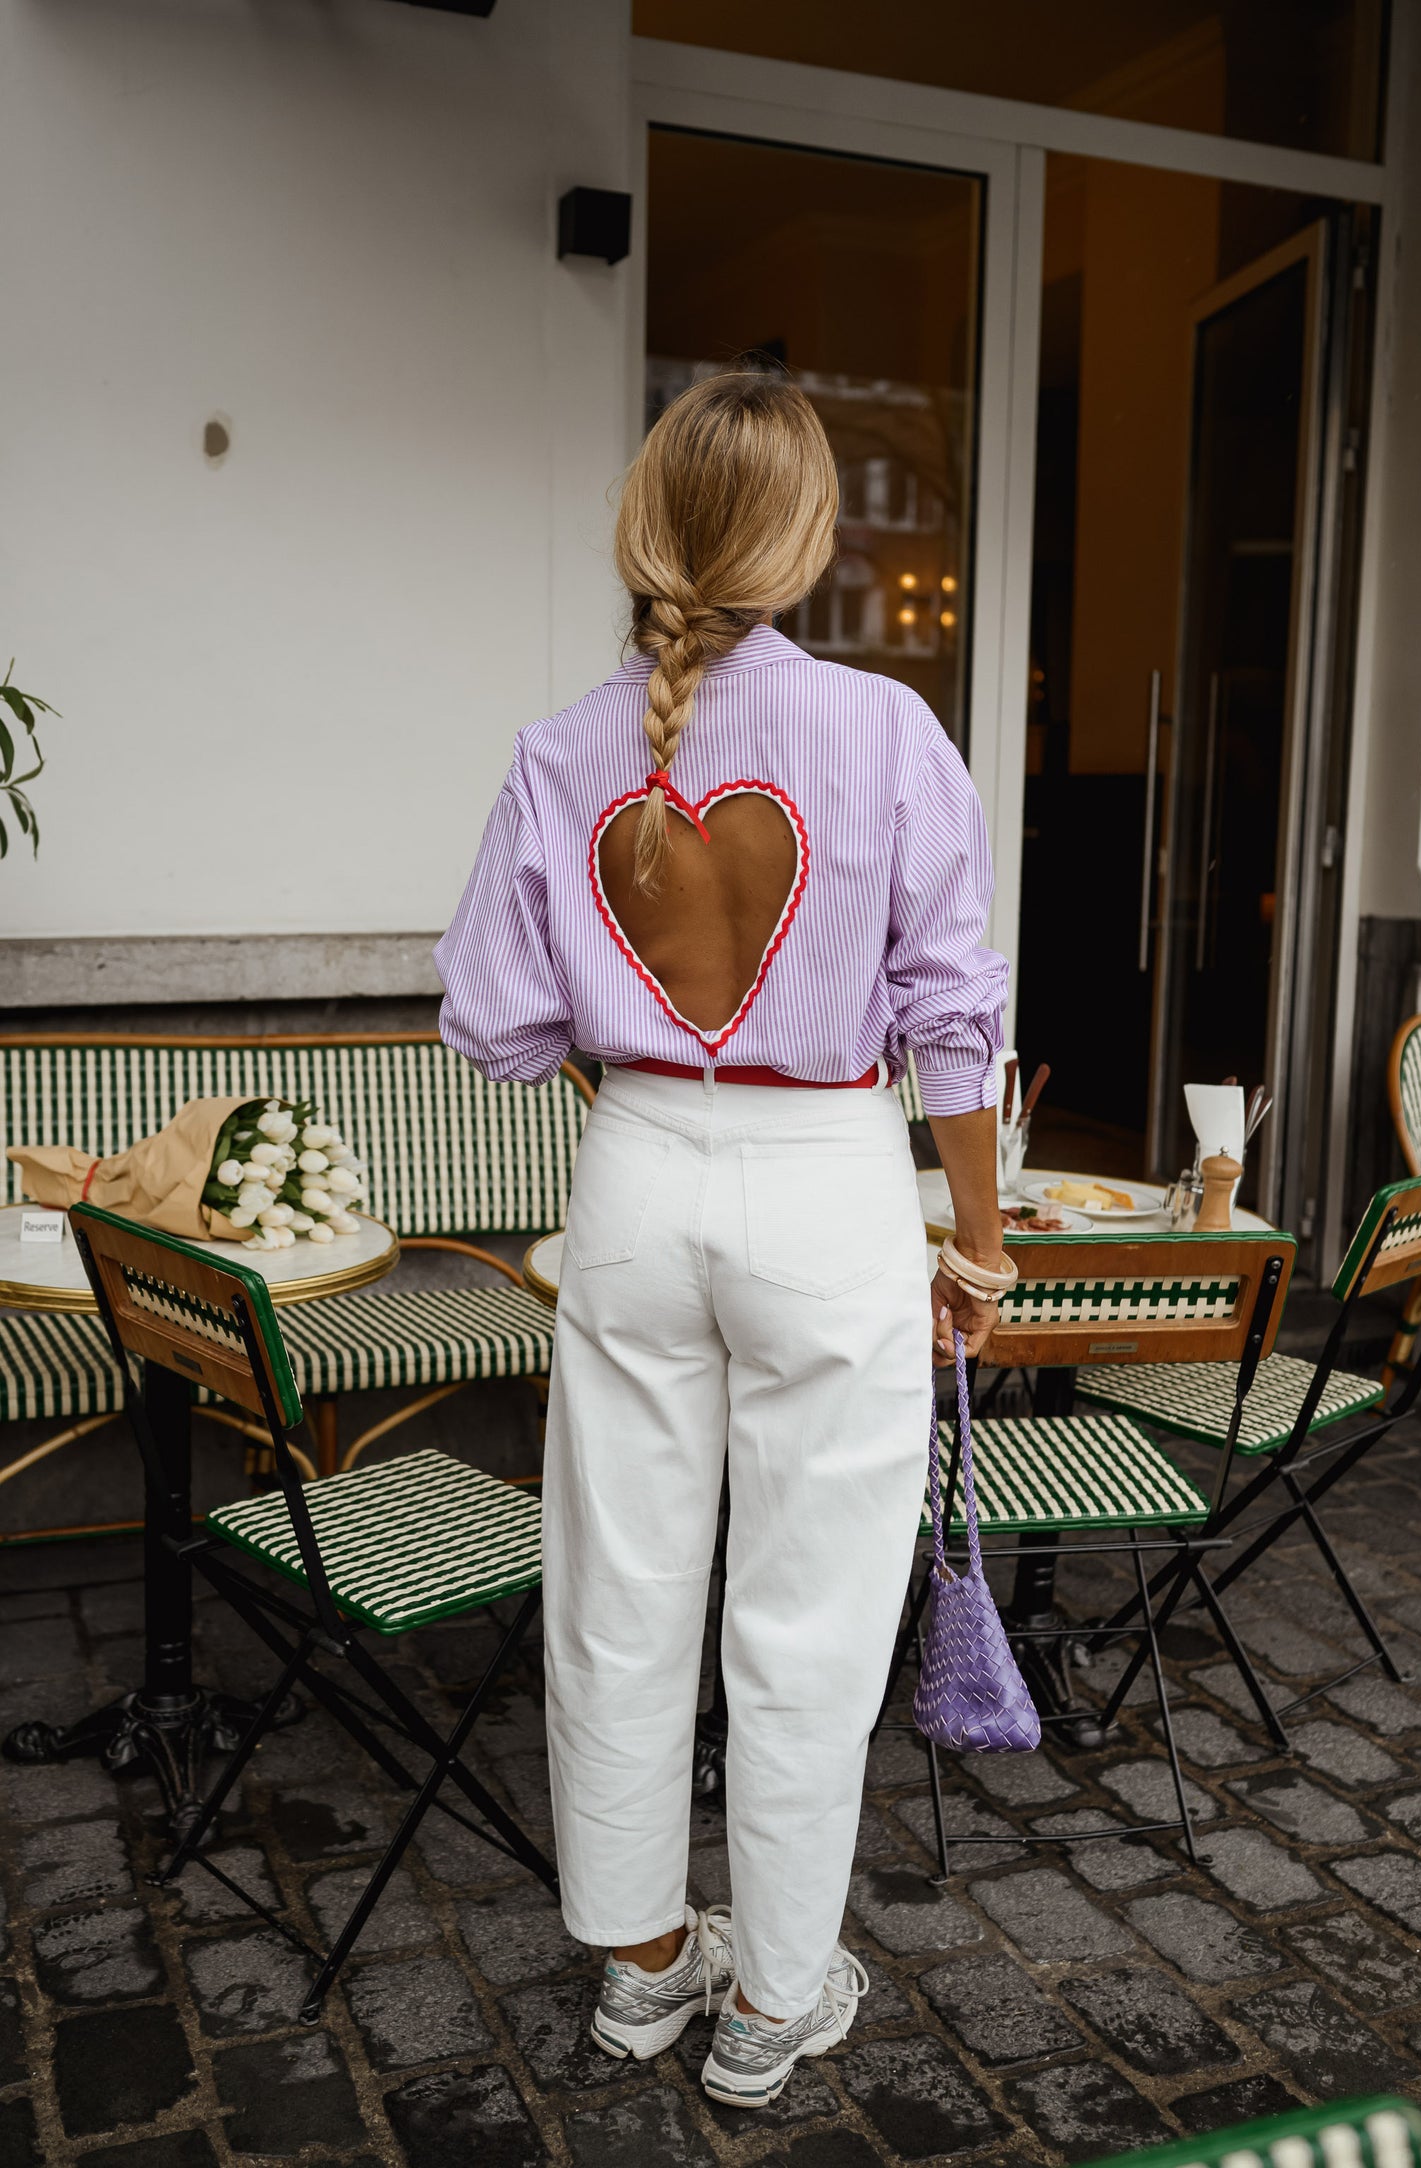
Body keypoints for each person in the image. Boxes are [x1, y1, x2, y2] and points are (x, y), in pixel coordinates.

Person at [436, 371, 1009, 2108]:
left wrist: (637, 1085)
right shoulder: (886, 732)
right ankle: (770, 1998)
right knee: (806, 1612)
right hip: (830, 1180)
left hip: (635, 1177)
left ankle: (636, 1967)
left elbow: (493, 1017)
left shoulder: (560, 750)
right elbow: (952, 1014)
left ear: (645, 526)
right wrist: (975, 1248)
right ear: (807, 536)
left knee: (617, 1591)